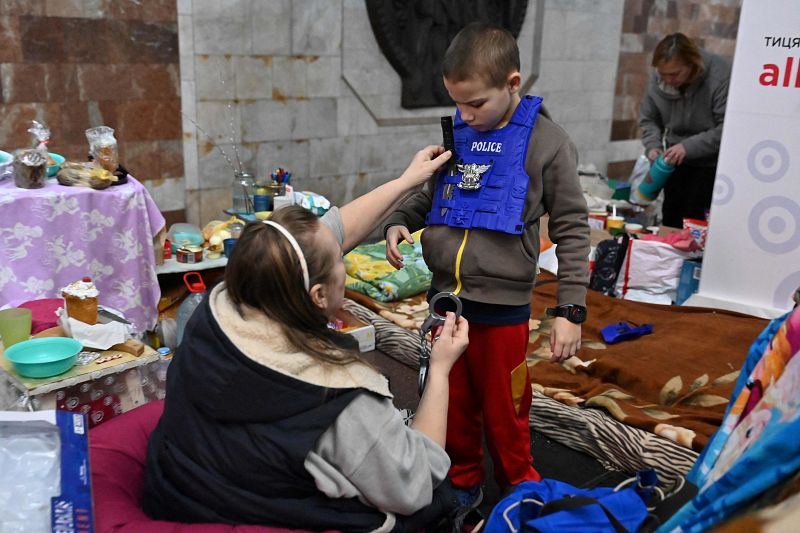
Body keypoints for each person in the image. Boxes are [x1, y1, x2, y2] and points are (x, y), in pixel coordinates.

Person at [142, 146, 472, 532]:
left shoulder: (215, 309)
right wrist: (440, 370)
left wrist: (405, 182)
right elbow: (415, 484)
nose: (344, 258)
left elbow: (331, 232)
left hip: (182, 487)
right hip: (259, 510)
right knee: (443, 497)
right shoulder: (338, 396)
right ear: (318, 296)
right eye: (339, 260)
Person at [383, 22, 590, 517]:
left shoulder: (549, 143)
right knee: (448, 401)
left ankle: (521, 486)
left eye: (476, 103)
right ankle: (462, 482)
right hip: (445, 304)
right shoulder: (459, 132)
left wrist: (570, 309)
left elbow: (574, 227)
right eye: (457, 102)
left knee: (507, 411)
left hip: (502, 313)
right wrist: (397, 221)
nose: (465, 114)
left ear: (512, 84)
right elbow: (431, 193)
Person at [639, 32, 731, 228]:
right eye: (663, 74)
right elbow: (649, 120)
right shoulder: (659, 79)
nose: (668, 80)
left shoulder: (719, 76)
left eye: (675, 74)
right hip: (673, 162)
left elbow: (727, 128)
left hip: (710, 165)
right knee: (671, 218)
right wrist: (653, 146)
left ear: (692, 64)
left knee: (695, 222)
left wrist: (687, 147)